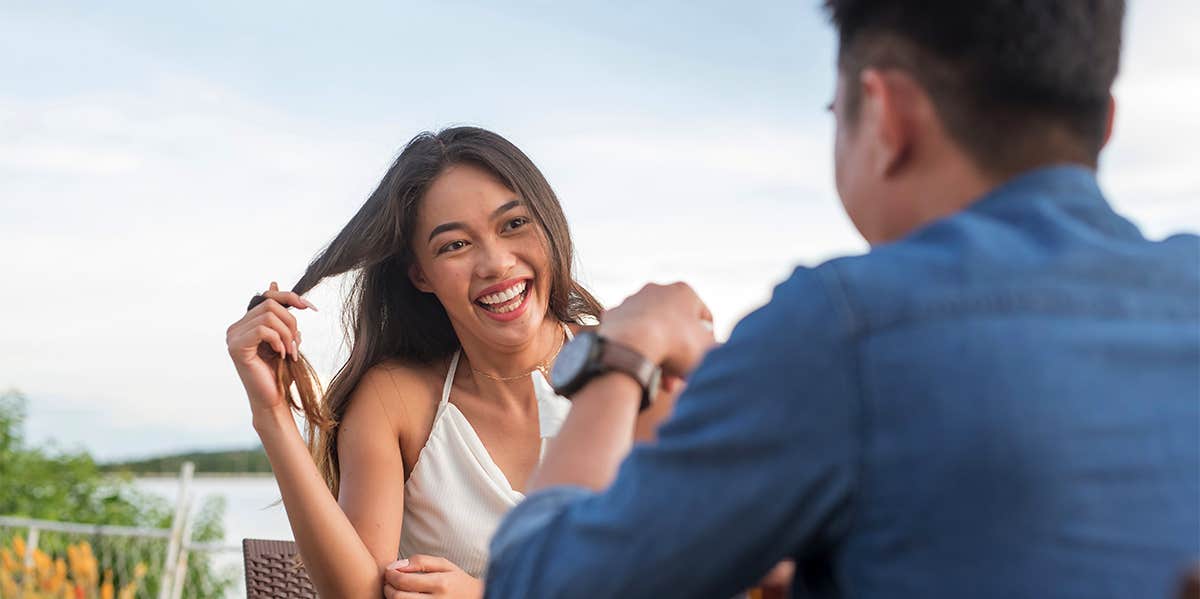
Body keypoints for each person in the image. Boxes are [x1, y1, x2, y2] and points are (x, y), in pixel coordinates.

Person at [479, 1, 1200, 597]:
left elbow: (536, 583)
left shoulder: (842, 327)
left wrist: (620, 356)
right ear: (1104, 122)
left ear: (886, 116)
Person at [225, 127, 674, 598]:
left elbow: (687, 572)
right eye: (455, 245)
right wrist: (272, 413)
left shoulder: (629, 364)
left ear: (549, 224)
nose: (495, 264)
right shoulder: (397, 399)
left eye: (514, 224)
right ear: (421, 274)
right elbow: (356, 596)